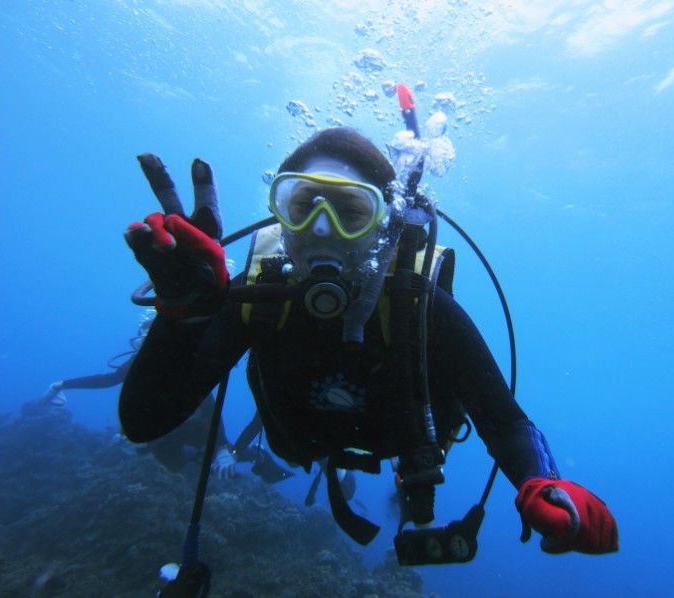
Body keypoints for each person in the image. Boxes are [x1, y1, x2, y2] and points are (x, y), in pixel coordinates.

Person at [120, 127, 618, 559]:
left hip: (398, 443)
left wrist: (541, 483)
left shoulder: (419, 307)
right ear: (280, 217)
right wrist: (183, 312)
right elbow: (145, 421)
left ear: (384, 227)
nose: (320, 229)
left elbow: (504, 420)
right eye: (302, 206)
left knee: (414, 499)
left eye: (350, 211)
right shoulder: (258, 298)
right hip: (300, 444)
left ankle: (407, 489)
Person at [41, 315, 270, 481]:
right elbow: (108, 379)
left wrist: (221, 449)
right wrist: (62, 385)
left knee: (213, 459)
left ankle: (252, 455)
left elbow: (210, 408)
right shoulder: (139, 362)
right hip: (165, 428)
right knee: (174, 465)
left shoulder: (183, 365)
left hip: (193, 425)